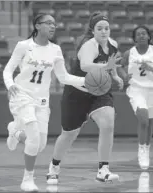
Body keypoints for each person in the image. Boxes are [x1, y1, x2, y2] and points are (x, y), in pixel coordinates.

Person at [3, 13, 87, 192]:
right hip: (21, 95)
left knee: (39, 145)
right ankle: (28, 179)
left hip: (41, 100)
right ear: (37, 26)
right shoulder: (24, 46)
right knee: (33, 137)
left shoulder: (55, 49)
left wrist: (84, 82)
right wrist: (10, 84)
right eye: (48, 23)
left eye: (54, 24)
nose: (53, 26)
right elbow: (8, 69)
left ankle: (16, 133)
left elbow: (63, 77)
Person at [46, 11, 124, 184]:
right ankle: (54, 165)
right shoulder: (89, 45)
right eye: (100, 28)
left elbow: (111, 64)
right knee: (69, 134)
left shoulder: (112, 44)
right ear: (93, 30)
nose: (104, 31)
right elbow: (86, 65)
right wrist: (106, 67)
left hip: (98, 91)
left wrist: (116, 76)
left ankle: (103, 169)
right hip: (77, 91)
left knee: (108, 123)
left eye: (106, 28)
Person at [118, 26, 153, 170]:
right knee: (143, 118)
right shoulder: (129, 53)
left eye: (143, 33)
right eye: (138, 34)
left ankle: (147, 148)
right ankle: (141, 149)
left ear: (148, 37)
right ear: (134, 38)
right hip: (136, 89)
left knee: (150, 123)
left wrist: (151, 68)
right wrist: (124, 76)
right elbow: (119, 66)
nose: (141, 36)